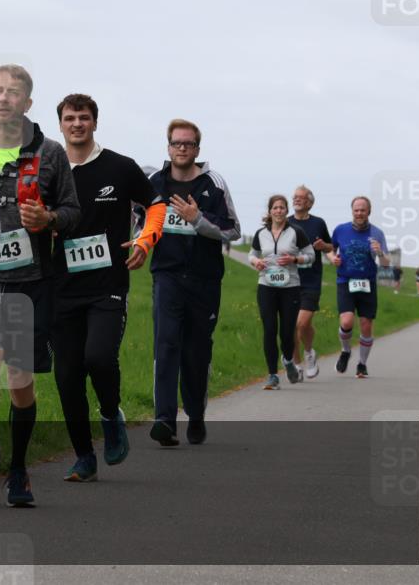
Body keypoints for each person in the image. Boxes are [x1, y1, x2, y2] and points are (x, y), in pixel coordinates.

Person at [0, 65, 80, 507]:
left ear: (28, 103)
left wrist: (48, 218)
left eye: (14, 93)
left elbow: (73, 211)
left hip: (33, 282)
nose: (5, 98)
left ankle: (18, 467)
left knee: (20, 380)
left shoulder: (50, 153)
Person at [52, 94, 166, 481]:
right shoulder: (49, 170)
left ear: (95, 123)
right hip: (59, 289)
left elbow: (156, 203)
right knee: (67, 377)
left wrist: (145, 240)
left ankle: (110, 414)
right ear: (61, 125)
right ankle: (84, 456)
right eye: (70, 118)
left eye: (84, 117)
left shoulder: (120, 166)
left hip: (107, 285)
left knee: (98, 358)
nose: (77, 124)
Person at [148, 119, 240, 446]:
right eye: (176, 143)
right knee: (166, 343)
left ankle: (197, 414)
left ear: (197, 149)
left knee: (195, 353)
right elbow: (140, 219)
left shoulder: (213, 184)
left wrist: (197, 220)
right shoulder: (155, 182)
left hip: (204, 280)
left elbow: (233, 230)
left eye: (188, 144)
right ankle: (164, 420)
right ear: (168, 147)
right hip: (167, 275)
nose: (182, 149)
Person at [249, 195, 315, 389]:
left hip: (290, 288)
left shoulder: (297, 232)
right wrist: (256, 262)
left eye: (282, 208)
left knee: (287, 333)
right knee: (269, 330)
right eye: (275, 208)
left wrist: (295, 260)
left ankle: (287, 360)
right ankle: (272, 375)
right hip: (266, 286)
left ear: (287, 211)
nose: (278, 211)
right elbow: (252, 254)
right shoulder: (261, 233)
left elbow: (310, 255)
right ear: (270, 211)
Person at [326, 196, 389, 379]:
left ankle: (362, 365)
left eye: (363, 210)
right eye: (356, 210)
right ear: (352, 211)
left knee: (366, 325)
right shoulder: (341, 230)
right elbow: (330, 249)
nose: (359, 213)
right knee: (346, 322)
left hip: (367, 283)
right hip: (345, 281)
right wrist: (332, 258)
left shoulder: (377, 233)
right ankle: (345, 351)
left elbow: (385, 263)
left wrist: (379, 253)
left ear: (369, 211)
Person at [287, 185, 333, 379]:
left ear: (310, 203)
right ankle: (297, 365)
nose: (297, 200)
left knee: (302, 324)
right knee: (291, 327)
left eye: (302, 198)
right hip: (288, 281)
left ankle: (309, 353)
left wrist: (324, 247)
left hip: (311, 281)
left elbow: (330, 246)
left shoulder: (318, 223)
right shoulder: (285, 222)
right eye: (295, 197)